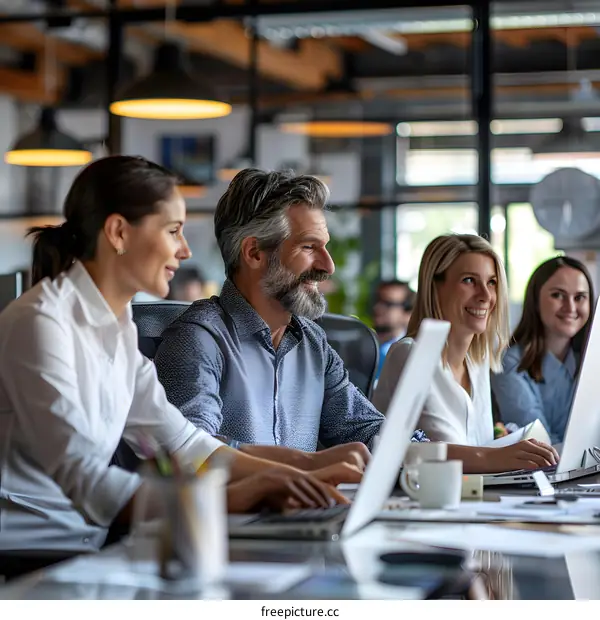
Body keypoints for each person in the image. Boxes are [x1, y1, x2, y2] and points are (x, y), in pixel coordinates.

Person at [0, 156, 358, 555]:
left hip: (85, 550)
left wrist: (302, 469)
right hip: (26, 560)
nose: (185, 251)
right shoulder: (40, 322)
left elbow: (186, 445)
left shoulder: (115, 327)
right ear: (118, 233)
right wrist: (242, 494)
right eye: (173, 231)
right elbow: (86, 480)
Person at [155, 170, 557, 474]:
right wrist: (309, 463)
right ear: (255, 253)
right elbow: (191, 453)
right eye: (310, 248)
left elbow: (378, 435)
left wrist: (491, 458)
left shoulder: (312, 343)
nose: (327, 266)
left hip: (307, 534)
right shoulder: (198, 339)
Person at [373, 233, 559, 471]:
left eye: (491, 282)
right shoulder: (410, 355)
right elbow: (395, 450)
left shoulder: (478, 362)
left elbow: (474, 449)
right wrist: (492, 456)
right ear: (435, 287)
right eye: (469, 280)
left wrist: (504, 446)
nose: (485, 296)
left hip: (474, 499)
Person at [491, 256, 594, 444]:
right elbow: (541, 442)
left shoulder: (591, 361)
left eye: (579, 297)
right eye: (557, 295)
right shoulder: (510, 364)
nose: (570, 307)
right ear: (535, 300)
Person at [372, 280, 416, 380]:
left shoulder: (409, 354)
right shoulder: (364, 345)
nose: (377, 307)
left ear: (408, 314)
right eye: (377, 300)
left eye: (388, 303)